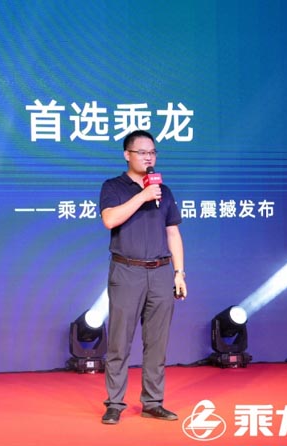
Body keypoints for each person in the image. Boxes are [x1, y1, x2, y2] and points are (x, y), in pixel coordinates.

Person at [98, 129, 187, 425]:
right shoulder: (114, 186)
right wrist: (143, 196)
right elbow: (110, 219)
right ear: (127, 155)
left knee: (157, 343)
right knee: (119, 342)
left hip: (161, 272)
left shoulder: (164, 191)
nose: (149, 158)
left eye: (152, 153)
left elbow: (173, 233)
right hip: (127, 271)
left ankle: (153, 402)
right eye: (142, 152)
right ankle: (114, 403)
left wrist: (179, 272)